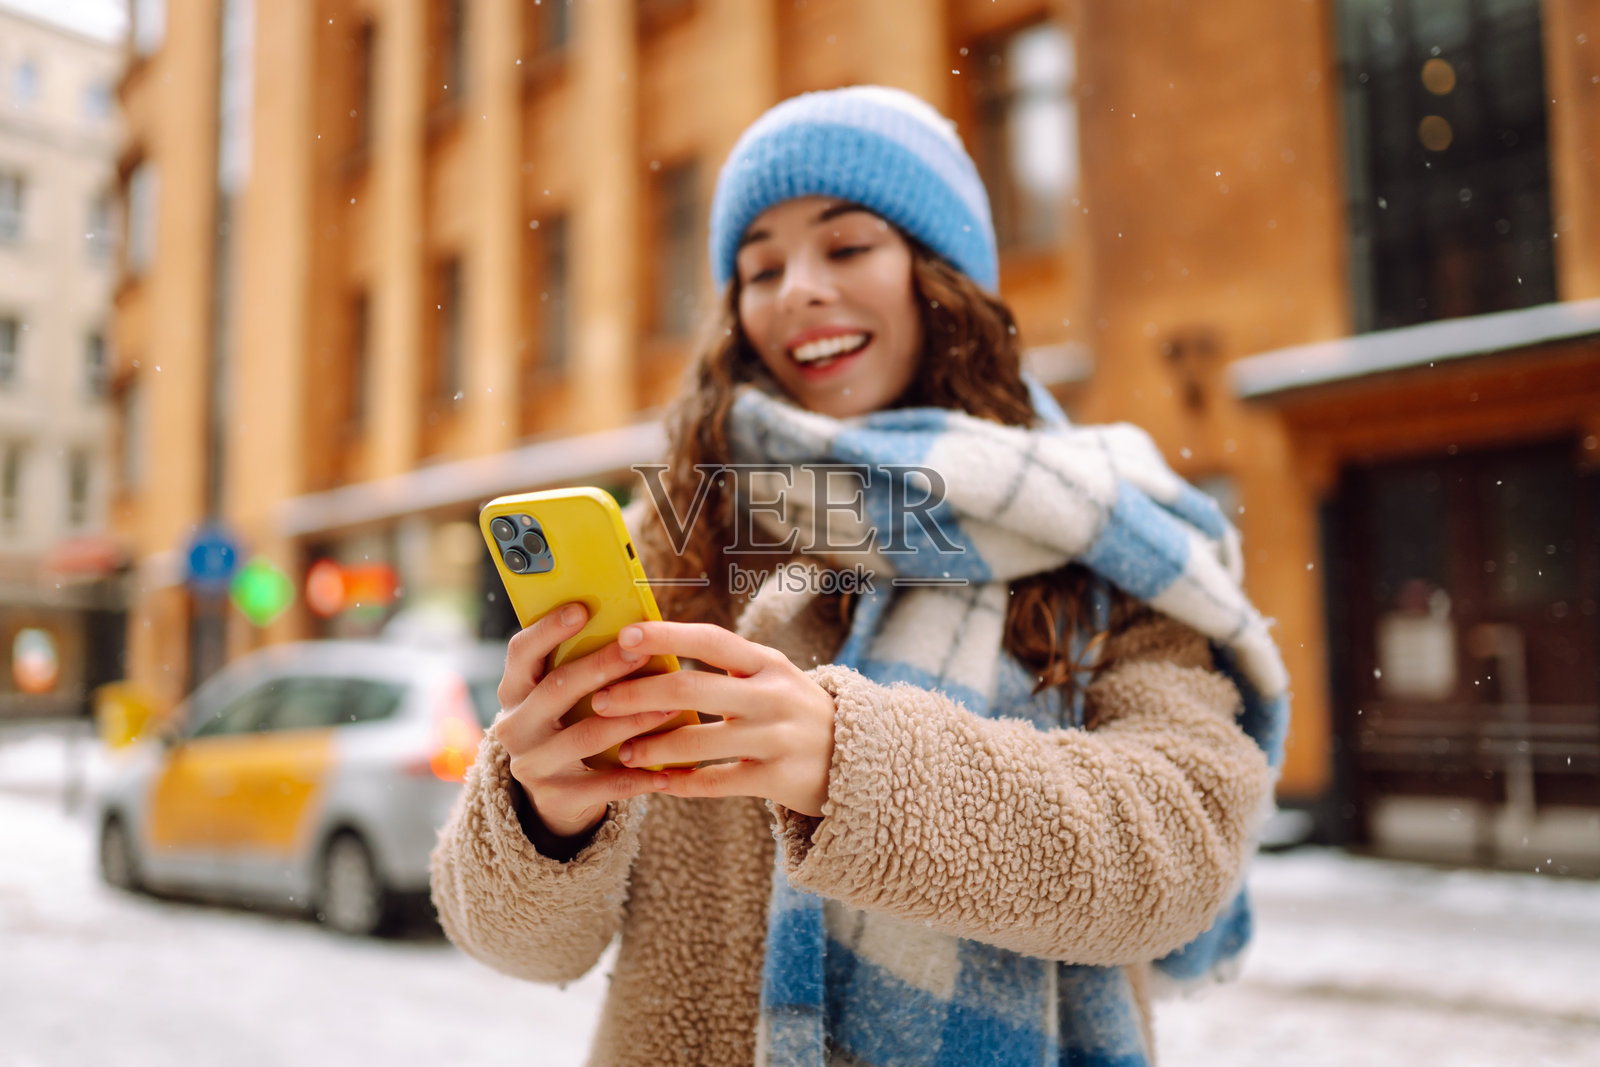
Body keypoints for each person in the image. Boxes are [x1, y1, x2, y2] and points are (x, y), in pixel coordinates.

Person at [430, 85, 1288, 1067]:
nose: (795, 288)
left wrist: (849, 761)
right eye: (759, 267)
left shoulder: (1102, 529)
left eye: (845, 247)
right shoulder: (678, 537)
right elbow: (512, 938)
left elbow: (1180, 851)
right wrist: (544, 808)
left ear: (941, 276)